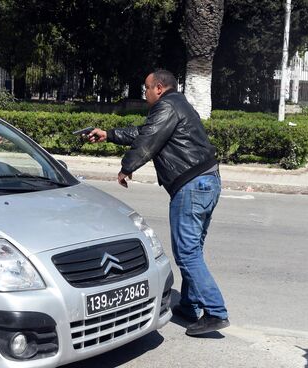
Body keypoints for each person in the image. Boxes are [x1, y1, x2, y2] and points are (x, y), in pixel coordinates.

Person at [86, 69, 229, 336]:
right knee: (193, 249)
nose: (145, 92)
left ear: (160, 88)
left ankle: (216, 311)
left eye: (147, 88)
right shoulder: (177, 104)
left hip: (191, 185)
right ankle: (189, 304)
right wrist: (109, 133)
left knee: (187, 253)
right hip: (206, 182)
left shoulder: (167, 106)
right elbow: (145, 132)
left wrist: (127, 167)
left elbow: (148, 140)